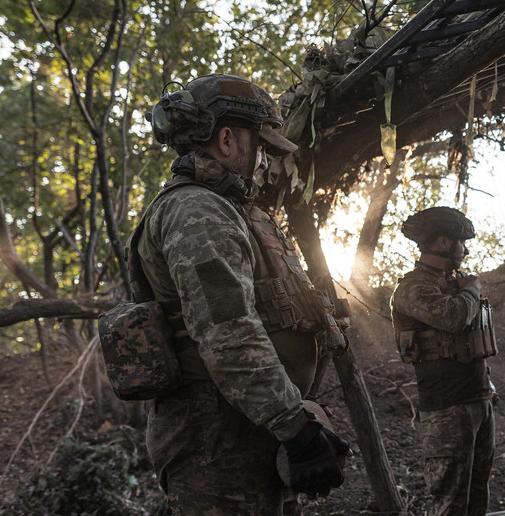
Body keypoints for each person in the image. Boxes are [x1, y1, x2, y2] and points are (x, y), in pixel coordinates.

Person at [135, 74, 349, 515]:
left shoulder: (233, 210)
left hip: (252, 428)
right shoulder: (197, 211)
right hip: (216, 442)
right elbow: (229, 336)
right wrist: (296, 429)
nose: (266, 161)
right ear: (229, 139)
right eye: (262, 146)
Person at [390, 207, 497, 516]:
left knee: (478, 496)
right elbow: (453, 318)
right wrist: (472, 291)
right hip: (447, 408)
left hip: (478, 400)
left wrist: (487, 385)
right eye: (460, 242)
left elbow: (470, 338)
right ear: (442, 243)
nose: (465, 249)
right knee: (451, 502)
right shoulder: (412, 288)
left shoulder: (455, 284)